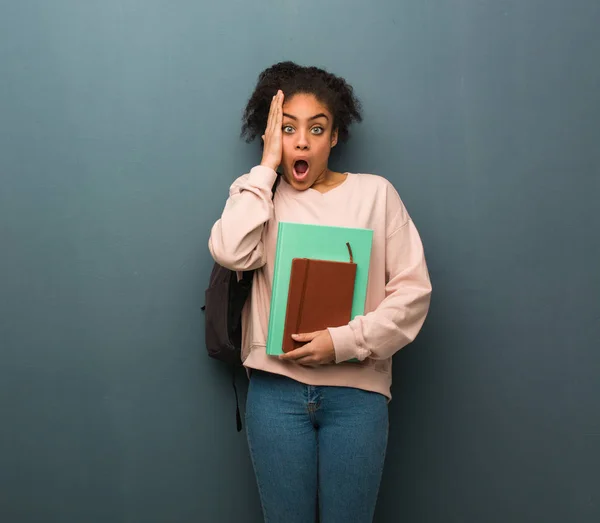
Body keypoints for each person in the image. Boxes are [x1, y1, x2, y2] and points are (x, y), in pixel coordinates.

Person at [208, 61, 432, 523]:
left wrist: (344, 342)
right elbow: (230, 251)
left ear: (334, 136)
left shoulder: (376, 195)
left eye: (317, 128)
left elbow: (412, 293)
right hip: (275, 392)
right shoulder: (258, 196)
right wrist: (266, 169)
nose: (302, 141)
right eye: (288, 129)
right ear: (272, 136)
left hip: (357, 393)